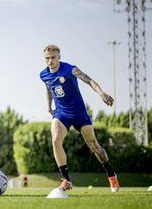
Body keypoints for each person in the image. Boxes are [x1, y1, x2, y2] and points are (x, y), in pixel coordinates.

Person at [40, 44, 120, 193]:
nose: (50, 61)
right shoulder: (43, 74)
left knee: (94, 146)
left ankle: (111, 175)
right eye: (47, 58)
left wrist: (101, 93)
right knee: (55, 139)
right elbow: (48, 88)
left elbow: (89, 80)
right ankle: (66, 180)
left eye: (53, 57)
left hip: (79, 113)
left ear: (59, 57)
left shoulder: (70, 69)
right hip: (61, 113)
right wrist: (49, 106)